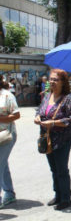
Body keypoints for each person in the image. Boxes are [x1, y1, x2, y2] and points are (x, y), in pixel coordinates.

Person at [34, 69, 71, 210]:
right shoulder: (47, 96)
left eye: (56, 80)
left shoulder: (69, 98)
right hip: (47, 138)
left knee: (61, 169)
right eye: (51, 79)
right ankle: (58, 194)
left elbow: (70, 119)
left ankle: (65, 198)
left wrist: (53, 123)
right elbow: (39, 110)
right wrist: (38, 117)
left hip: (62, 139)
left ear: (63, 82)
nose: (52, 82)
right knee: (53, 168)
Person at [0, 79, 20, 209]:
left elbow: (16, 115)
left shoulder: (7, 95)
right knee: (3, 164)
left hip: (6, 135)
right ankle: (9, 193)